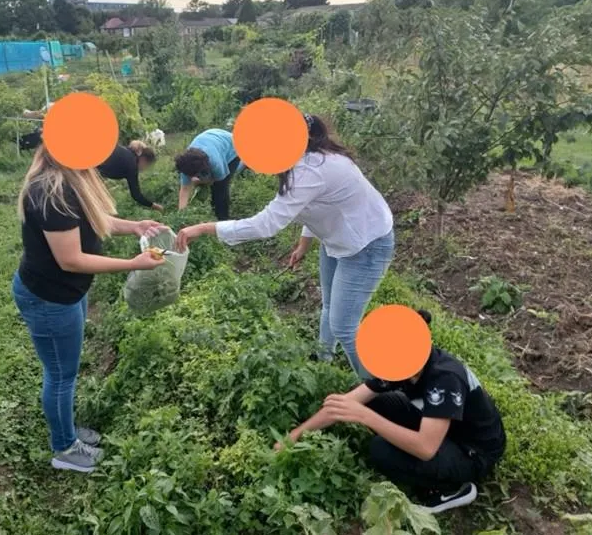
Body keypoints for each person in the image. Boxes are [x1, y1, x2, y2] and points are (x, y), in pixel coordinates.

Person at [176, 114, 394, 375]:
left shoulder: (309, 170)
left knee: (345, 327)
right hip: (339, 240)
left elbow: (265, 224)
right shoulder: (304, 161)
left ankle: (376, 391)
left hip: (366, 246)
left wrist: (203, 228)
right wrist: (303, 244)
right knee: (328, 305)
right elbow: (316, 205)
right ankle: (324, 357)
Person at [12, 145, 166, 473]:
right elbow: (71, 260)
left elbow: (95, 219)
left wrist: (135, 226)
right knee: (60, 374)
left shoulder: (73, 177)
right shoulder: (51, 192)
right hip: (49, 298)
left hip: (65, 293)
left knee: (64, 371)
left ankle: (65, 428)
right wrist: (131, 263)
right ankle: (64, 449)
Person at [274, 310, 507, 515]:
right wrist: (293, 437)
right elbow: (345, 404)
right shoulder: (403, 361)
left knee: (381, 449)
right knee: (375, 403)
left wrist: (365, 417)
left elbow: (425, 448)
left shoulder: (444, 379)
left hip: (472, 451)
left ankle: (453, 489)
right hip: (441, 426)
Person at [175, 128, 245, 220]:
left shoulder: (215, 163)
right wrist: (181, 215)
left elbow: (219, 180)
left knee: (220, 189)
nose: (191, 178)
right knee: (208, 183)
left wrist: (205, 181)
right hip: (212, 138)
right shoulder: (186, 164)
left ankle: (223, 219)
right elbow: (185, 190)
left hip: (233, 145)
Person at [97, 141, 163, 212]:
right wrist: (154, 206)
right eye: (147, 166)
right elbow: (136, 195)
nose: (145, 169)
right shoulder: (132, 165)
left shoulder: (128, 153)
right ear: (144, 160)